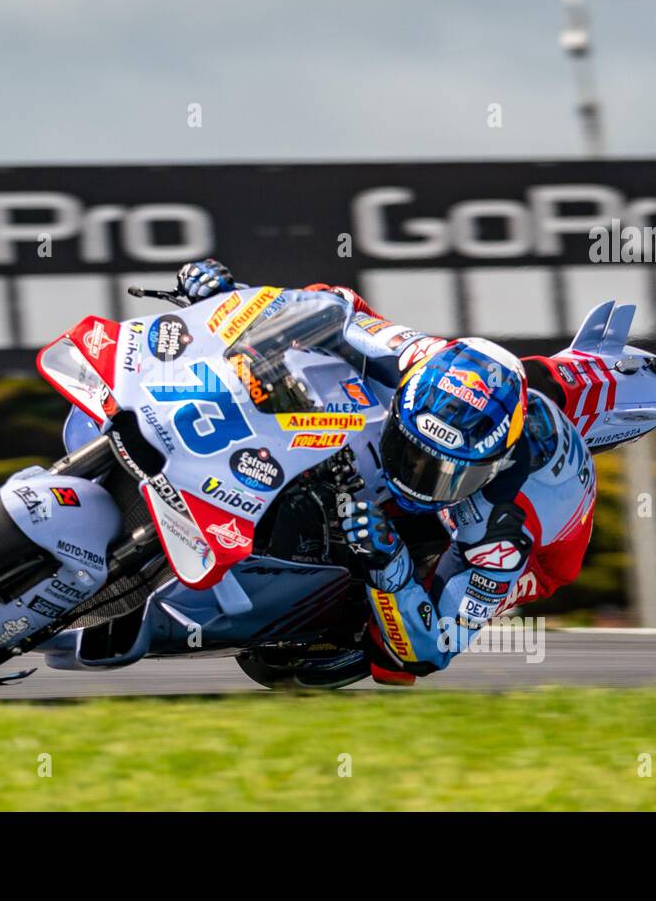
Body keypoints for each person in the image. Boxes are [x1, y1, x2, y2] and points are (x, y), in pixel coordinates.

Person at [175, 259, 597, 686]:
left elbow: (436, 646)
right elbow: (330, 305)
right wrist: (231, 297)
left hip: (536, 549)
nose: (415, 480)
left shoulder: (502, 534)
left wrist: (389, 562)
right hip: (481, 422)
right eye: (409, 453)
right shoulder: (412, 358)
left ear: (488, 470)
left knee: (397, 658)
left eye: (441, 475)